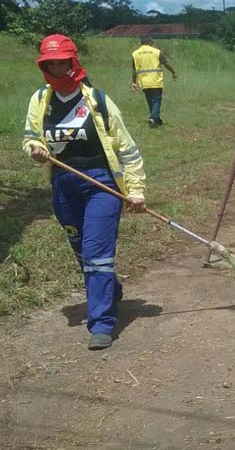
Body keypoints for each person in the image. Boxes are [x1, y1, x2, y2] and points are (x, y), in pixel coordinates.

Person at [23, 34, 146, 350]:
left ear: (73, 63)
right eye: (51, 63)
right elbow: (31, 136)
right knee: (81, 250)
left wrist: (136, 190)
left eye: (63, 61)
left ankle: (102, 322)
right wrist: (35, 148)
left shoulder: (98, 101)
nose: (57, 67)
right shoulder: (40, 100)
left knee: (96, 253)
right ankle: (109, 290)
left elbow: (128, 149)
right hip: (64, 185)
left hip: (101, 185)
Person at [131, 35, 177, 127]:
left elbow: (134, 70)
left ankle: (157, 119)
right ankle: (152, 118)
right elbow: (166, 64)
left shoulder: (135, 54)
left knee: (150, 101)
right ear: (150, 42)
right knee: (156, 101)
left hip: (143, 82)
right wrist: (173, 72)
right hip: (155, 80)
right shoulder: (157, 52)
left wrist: (134, 82)